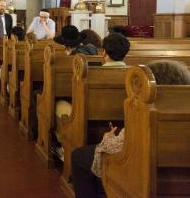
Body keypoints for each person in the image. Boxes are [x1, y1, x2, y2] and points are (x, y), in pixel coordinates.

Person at [71, 59, 190, 198]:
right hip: (179, 180)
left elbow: (122, 147)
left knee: (78, 155)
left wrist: (107, 139)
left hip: (137, 173)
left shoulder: (146, 107)